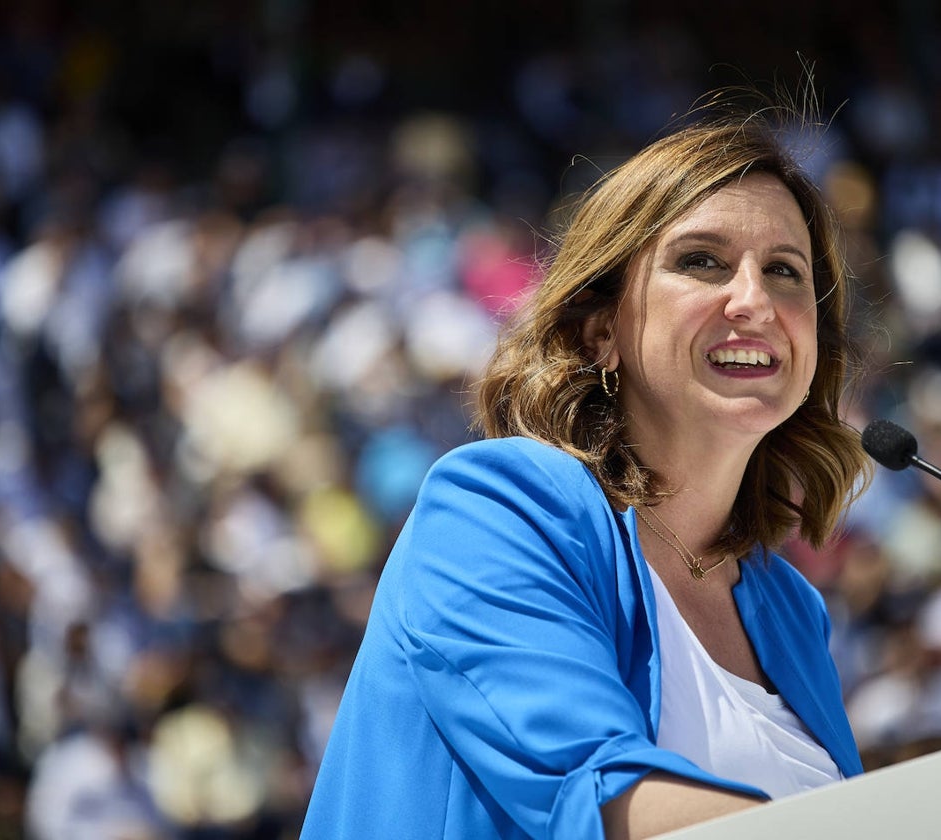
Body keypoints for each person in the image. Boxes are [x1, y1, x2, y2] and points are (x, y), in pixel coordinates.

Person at [300, 107, 872, 839]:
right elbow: (599, 797)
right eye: (702, 261)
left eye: (786, 272)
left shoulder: (793, 609)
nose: (755, 300)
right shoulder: (496, 509)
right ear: (601, 331)